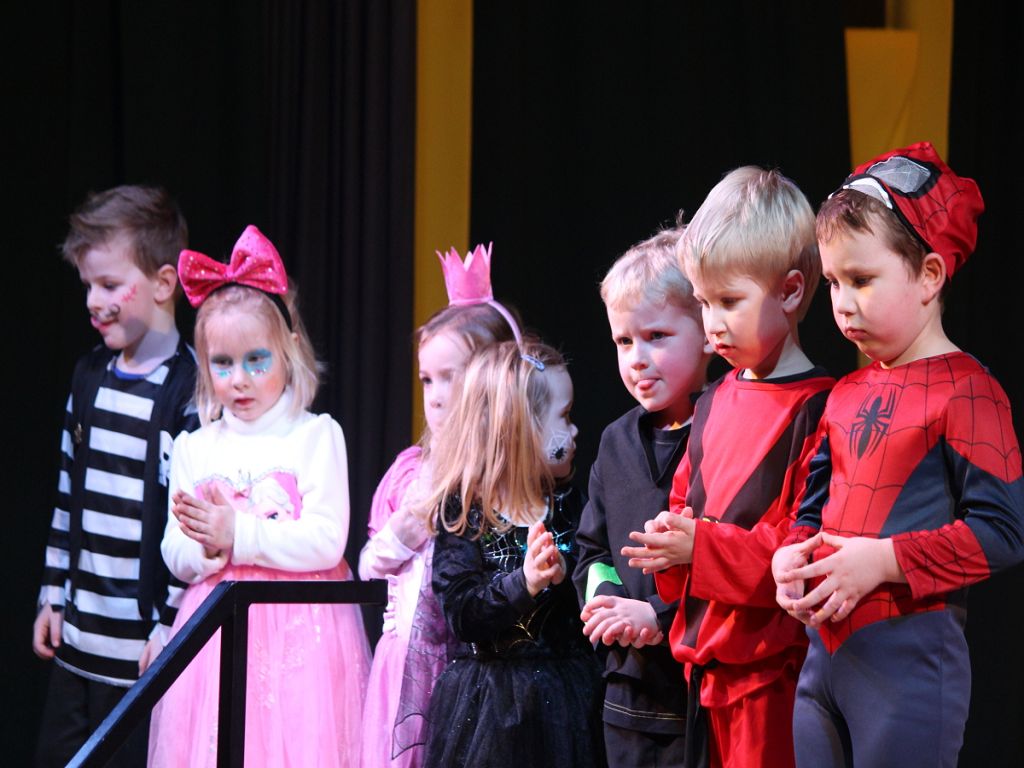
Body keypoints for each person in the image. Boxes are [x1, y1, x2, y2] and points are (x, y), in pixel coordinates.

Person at [772, 141, 1024, 767]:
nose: (841, 301)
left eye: (861, 280)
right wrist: (790, 557)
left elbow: (1003, 532)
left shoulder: (968, 389)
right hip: (820, 667)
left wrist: (883, 560)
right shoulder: (844, 393)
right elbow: (812, 507)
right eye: (834, 282)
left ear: (930, 276)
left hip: (907, 670)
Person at [623, 167, 834, 768]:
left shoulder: (818, 408)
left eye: (730, 302)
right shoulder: (713, 400)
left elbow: (800, 546)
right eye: (703, 302)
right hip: (705, 671)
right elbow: (686, 502)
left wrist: (700, 548)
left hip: (773, 674)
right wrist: (669, 544)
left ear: (790, 291)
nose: (712, 323)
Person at [147, 226, 370, 767]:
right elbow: (173, 551)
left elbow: (326, 540)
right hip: (214, 635)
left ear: (288, 350)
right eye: (222, 364)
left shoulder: (315, 436)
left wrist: (239, 533)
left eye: (256, 360)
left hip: (302, 639)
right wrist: (207, 546)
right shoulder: (196, 447)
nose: (239, 379)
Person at [33, 185, 196, 768]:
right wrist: (53, 592)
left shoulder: (187, 392)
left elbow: (188, 523)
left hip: (139, 656)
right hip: (77, 643)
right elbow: (67, 493)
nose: (93, 302)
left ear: (163, 283)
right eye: (87, 286)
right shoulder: (89, 377)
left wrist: (169, 626)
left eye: (108, 285)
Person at [359, 243, 519, 768]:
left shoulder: (506, 478)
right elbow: (368, 566)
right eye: (427, 379)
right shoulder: (413, 472)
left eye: (452, 376)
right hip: (406, 666)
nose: (435, 394)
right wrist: (410, 526)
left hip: (471, 672)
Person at [422, 340, 603, 767]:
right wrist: (524, 582)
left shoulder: (570, 506)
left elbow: (593, 588)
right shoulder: (465, 513)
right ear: (520, 430)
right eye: (564, 416)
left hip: (566, 701)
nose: (574, 431)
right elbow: (462, 613)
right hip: (490, 709)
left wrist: (567, 572)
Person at [572, 226, 711, 766]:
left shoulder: (724, 428)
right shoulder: (615, 442)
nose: (636, 357)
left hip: (700, 694)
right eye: (624, 341)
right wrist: (608, 605)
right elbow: (592, 550)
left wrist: (658, 614)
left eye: (656, 335)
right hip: (627, 695)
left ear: (707, 332)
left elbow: (731, 553)